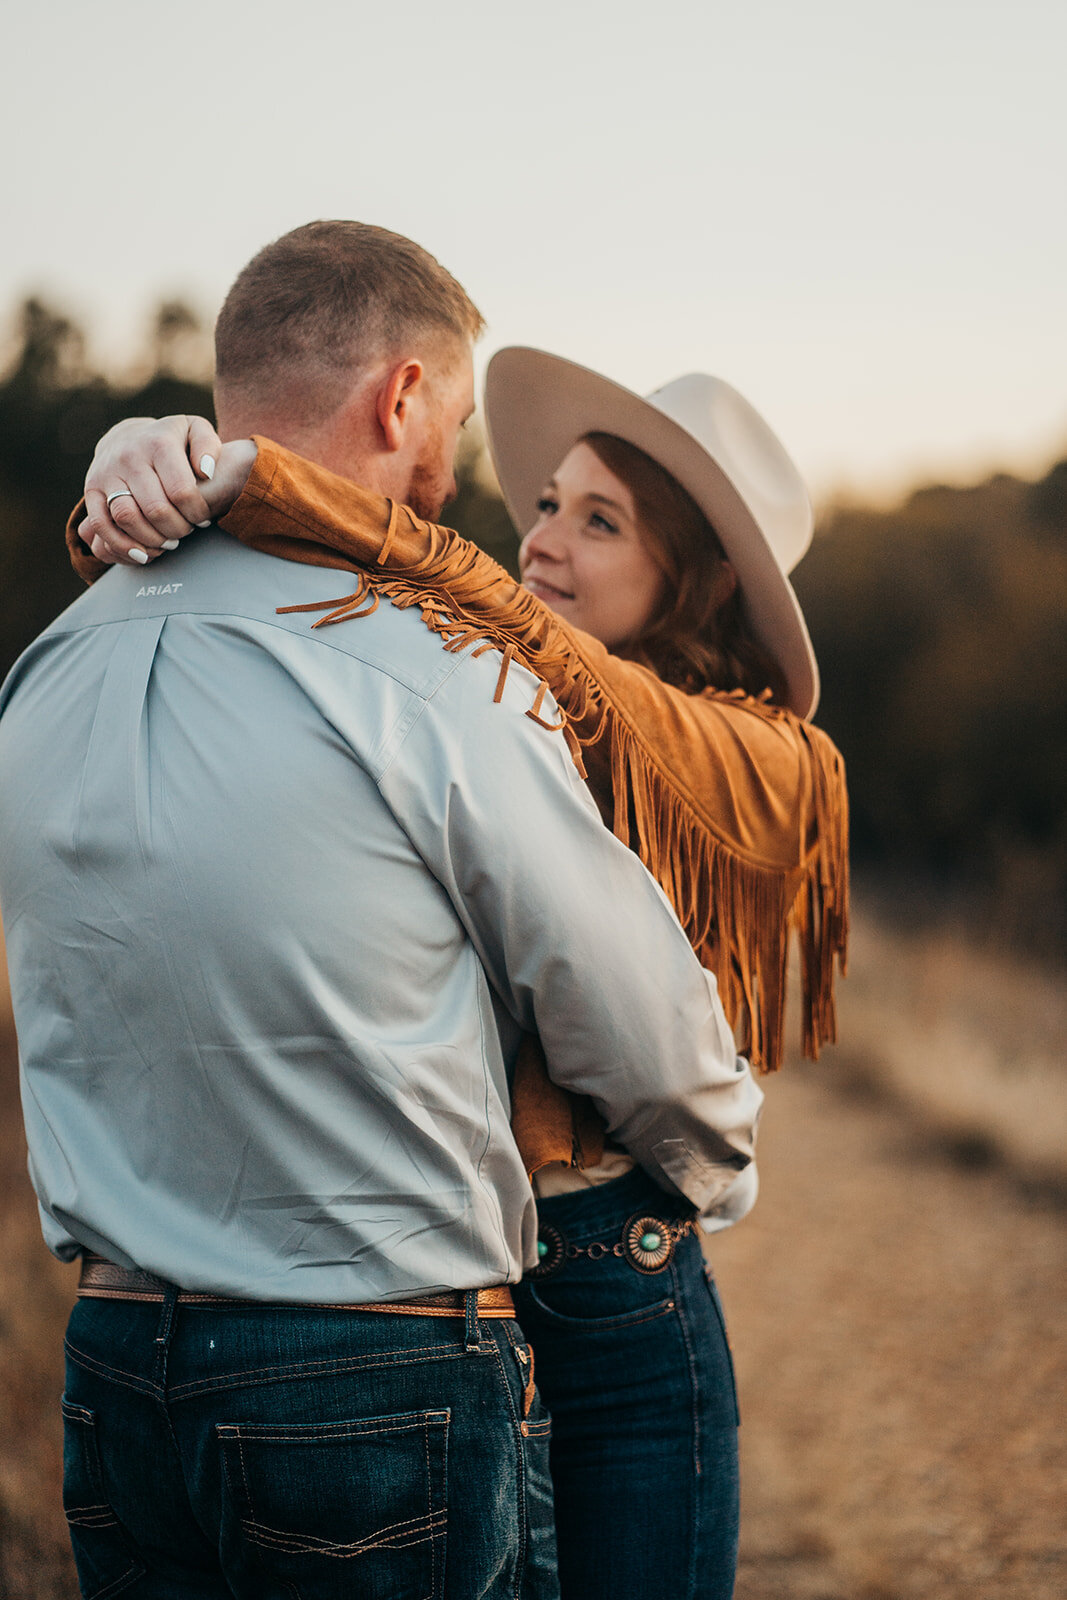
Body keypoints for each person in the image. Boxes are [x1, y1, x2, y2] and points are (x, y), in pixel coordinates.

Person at [0, 222, 768, 1600]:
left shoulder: (46, 670)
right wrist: (716, 1167)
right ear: (402, 397)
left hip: (116, 1364)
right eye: (461, 430)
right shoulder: (427, 670)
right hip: (372, 1363)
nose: (468, 491)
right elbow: (631, 1017)